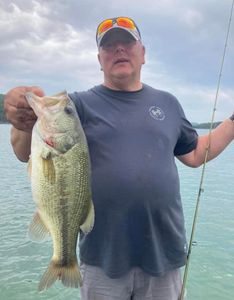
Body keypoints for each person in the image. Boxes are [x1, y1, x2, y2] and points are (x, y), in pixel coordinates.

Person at [4, 16, 234, 300]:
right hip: (103, 257)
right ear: (99, 59)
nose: (119, 50)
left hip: (164, 253)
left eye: (127, 42)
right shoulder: (76, 106)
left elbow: (198, 153)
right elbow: (22, 150)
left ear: (143, 53)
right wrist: (20, 119)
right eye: (109, 46)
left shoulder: (168, 103)